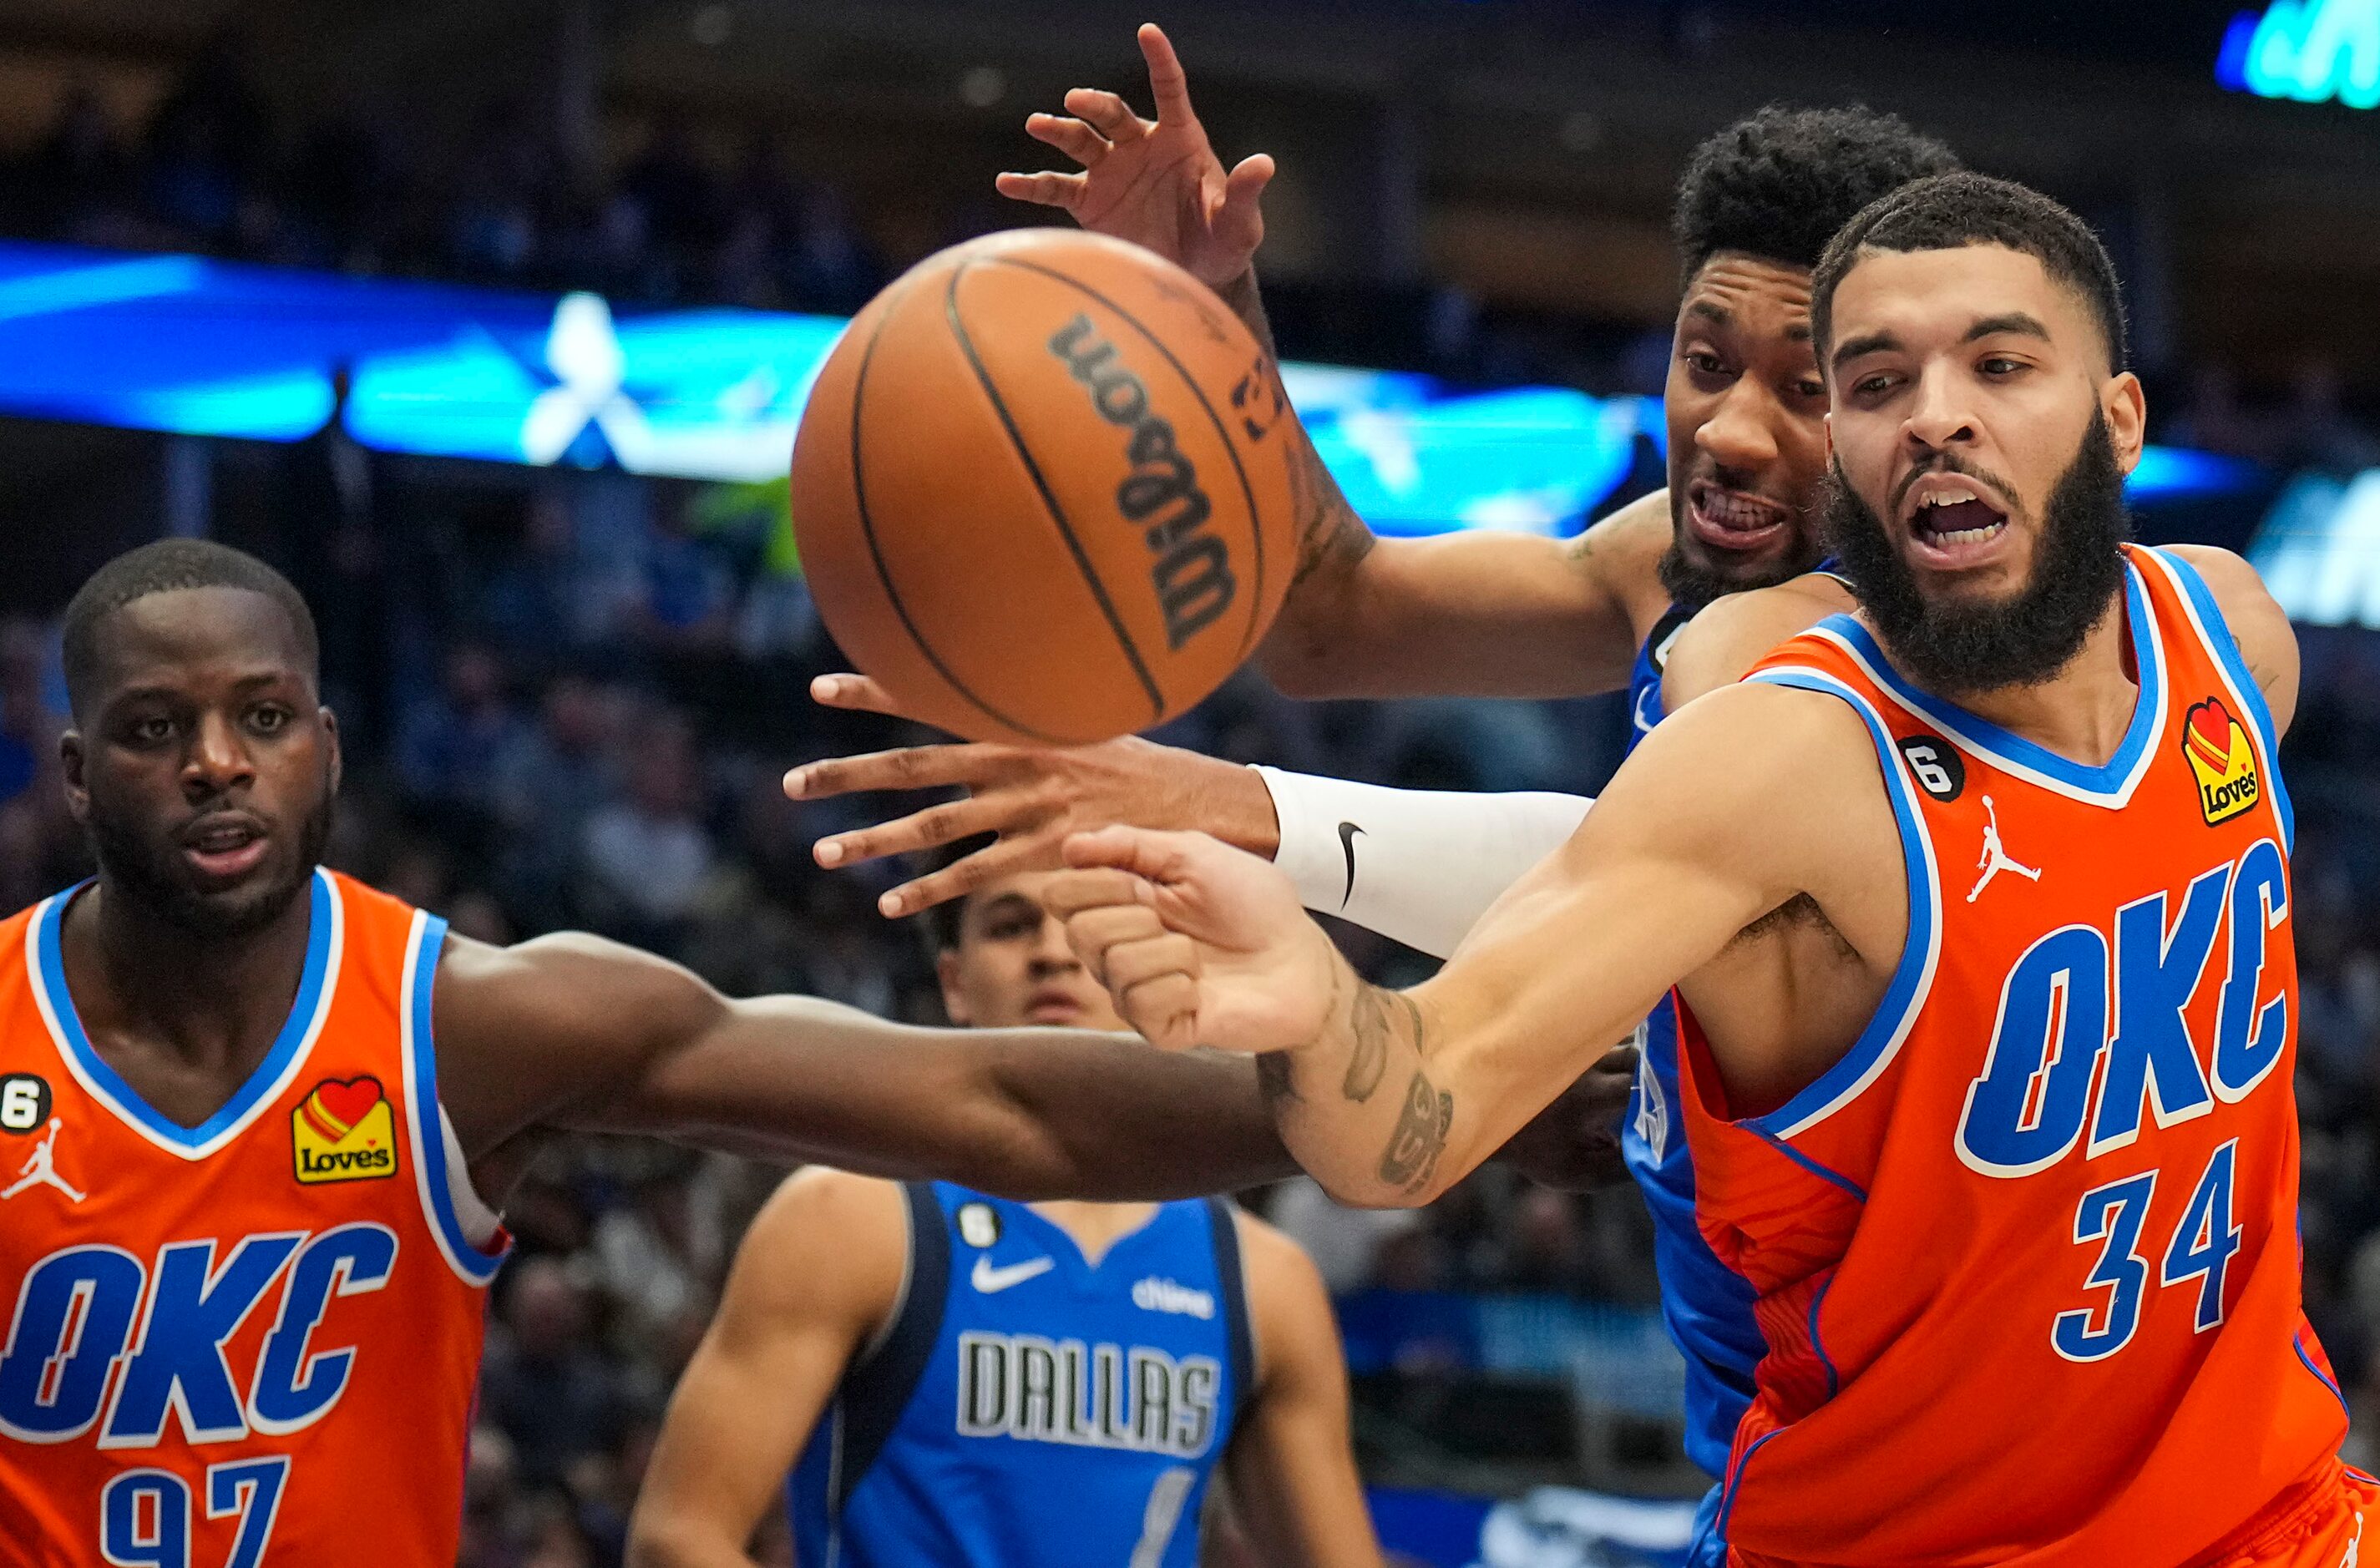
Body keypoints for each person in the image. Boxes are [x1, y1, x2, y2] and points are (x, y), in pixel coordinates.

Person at [1053, 172, 2360, 1565]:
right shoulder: (1776, 750)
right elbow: (1411, 1096)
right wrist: (1311, 1001)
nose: (1935, 412)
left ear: (2116, 423)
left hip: (2276, 1520)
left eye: (1998, 363)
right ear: (1848, 458)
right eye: (1874, 382)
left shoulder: (2230, 639)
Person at [785, 33, 1956, 1561]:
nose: (1731, 429)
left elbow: (1643, 864)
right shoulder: (1675, 560)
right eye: (1705, 359)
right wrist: (1205, 310)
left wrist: (1243, 805)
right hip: (1802, 1439)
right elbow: (1331, 613)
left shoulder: (1932, 641)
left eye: (1805, 389)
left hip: (1973, 1456)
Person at [0, 539, 1608, 1565]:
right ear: (76, 769)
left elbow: (992, 1101)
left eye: (263, 717)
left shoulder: (471, 1022)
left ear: (326, 748)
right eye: (156, 730)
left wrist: (1427, 1087)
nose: (218, 764)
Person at [627, 866, 1379, 1568]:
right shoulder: (848, 1217)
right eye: (1012, 926)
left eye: (1090, 921)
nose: (1053, 953)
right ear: (954, 980)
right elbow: (678, 1538)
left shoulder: (1266, 1282)